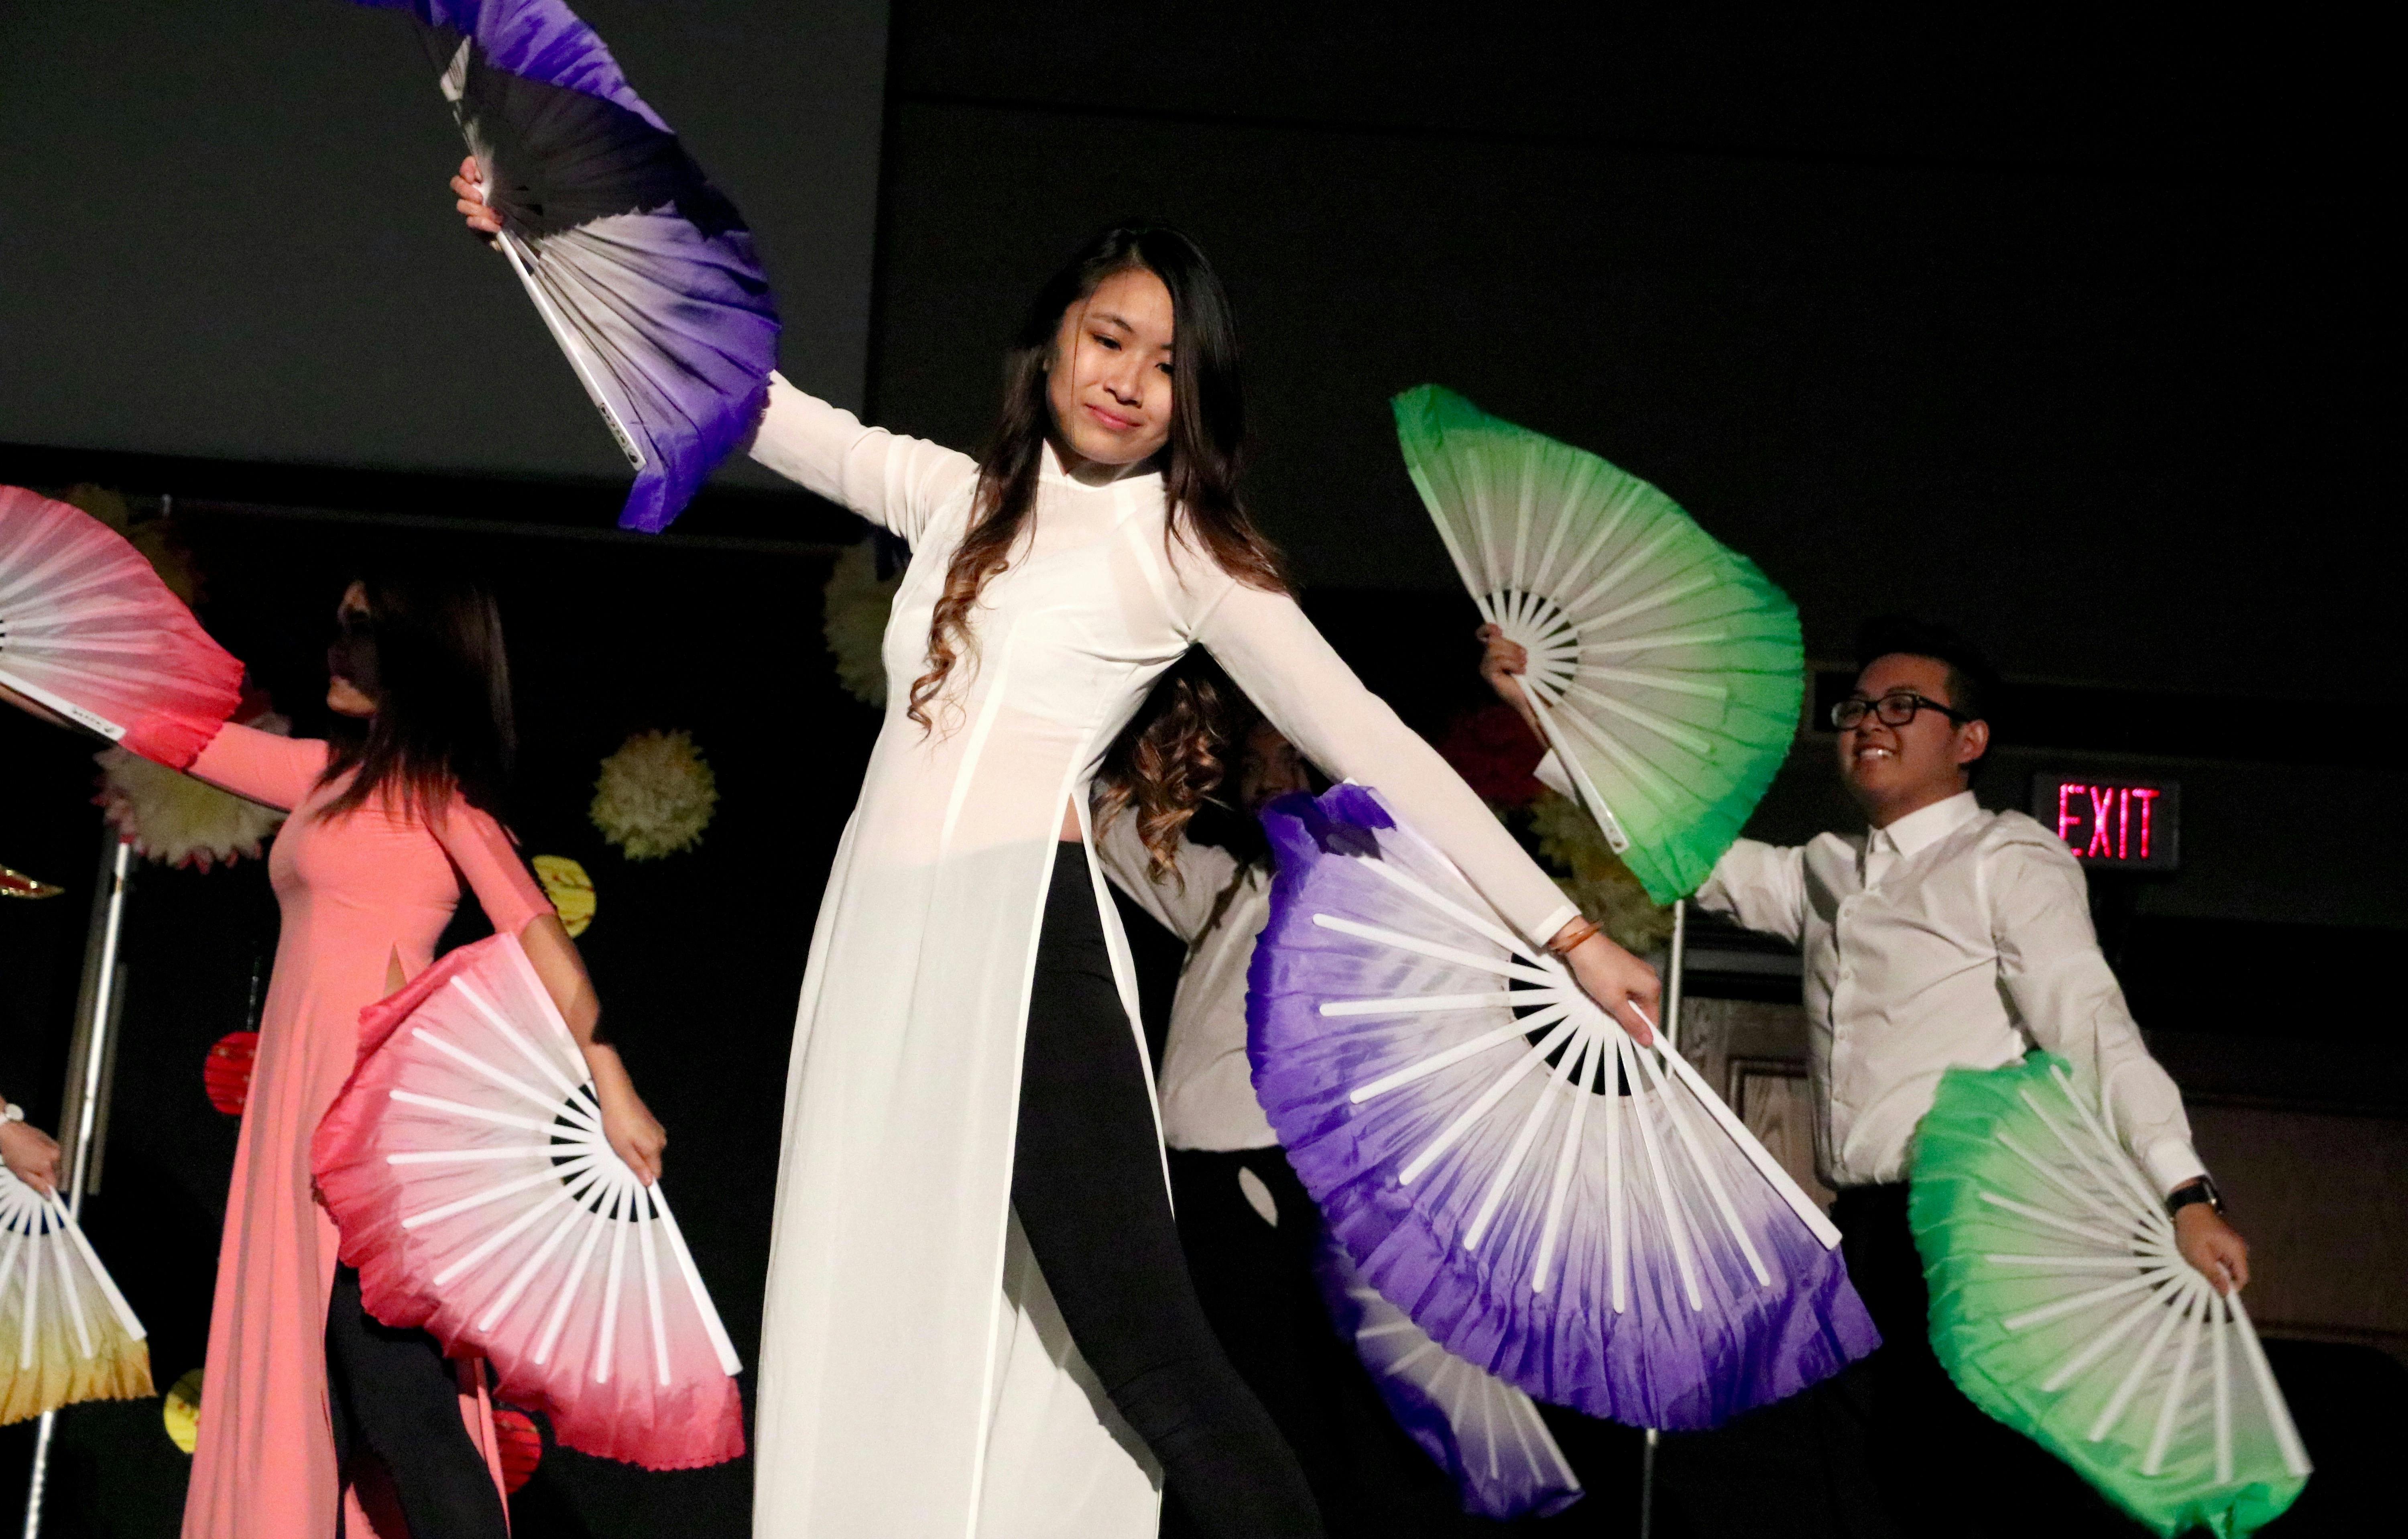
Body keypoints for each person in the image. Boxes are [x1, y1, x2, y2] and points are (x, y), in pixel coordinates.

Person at [462, 171, 1661, 1539]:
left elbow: (1372, 741)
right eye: (1111, 339)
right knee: (877, 1300)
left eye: (1168, 365)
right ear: (1051, 343)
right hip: (880, 944)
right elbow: (736, 394)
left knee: (1142, 1338)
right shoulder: (950, 500)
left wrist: (1560, 927)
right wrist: (544, 241)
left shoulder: (1181, 549)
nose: (1131, 381)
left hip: (1022, 939)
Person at [1483, 614, 2250, 1536]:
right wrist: (1543, 718)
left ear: (1969, 742)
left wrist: (2185, 1188)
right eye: (1856, 707)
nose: (1868, 723)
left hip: (1980, 1214)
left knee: (1964, 1472)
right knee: (1863, 1465)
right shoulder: (1827, 870)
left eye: (1902, 706)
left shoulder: (2007, 858)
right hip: (1873, 1222)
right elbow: (1683, 850)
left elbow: (2092, 1027)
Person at [7, 570, 667, 1539]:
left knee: (395, 1387)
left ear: (421, 652)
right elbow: (160, 731)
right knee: (333, 1398)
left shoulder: (444, 803)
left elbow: (540, 939)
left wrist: (617, 1088)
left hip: (377, 1132)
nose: (336, 644)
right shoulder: (320, 777)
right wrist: (20, 665)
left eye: (360, 628)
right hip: (296, 1119)